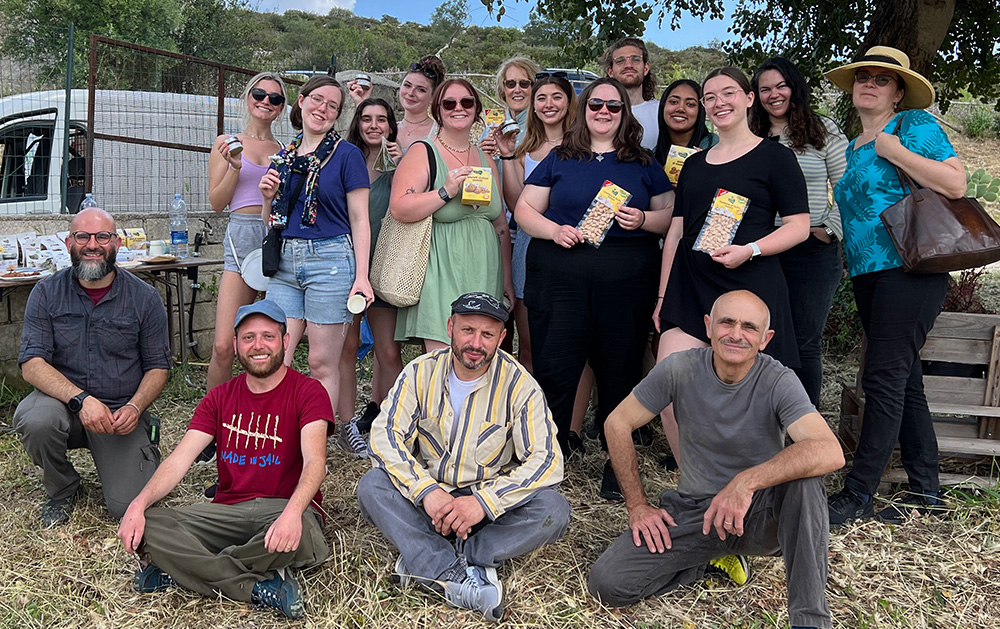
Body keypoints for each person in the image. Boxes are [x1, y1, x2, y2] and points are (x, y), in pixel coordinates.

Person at [589, 290, 844, 629]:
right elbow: (617, 423)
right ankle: (704, 561)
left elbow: (830, 450)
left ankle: (810, 621)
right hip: (696, 511)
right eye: (727, 322)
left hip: (759, 512)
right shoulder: (679, 369)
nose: (736, 334)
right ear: (709, 326)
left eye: (749, 327)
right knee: (608, 584)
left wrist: (745, 482)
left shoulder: (779, 380)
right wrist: (637, 505)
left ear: (765, 339)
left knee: (807, 478)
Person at [357, 292, 569, 623]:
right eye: (468, 330)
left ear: (502, 337)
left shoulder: (520, 385)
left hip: (486, 508)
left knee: (554, 511)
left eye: (487, 334)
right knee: (372, 485)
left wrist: (483, 503)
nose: (476, 343)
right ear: (450, 327)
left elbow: (547, 461)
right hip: (428, 499)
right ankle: (454, 572)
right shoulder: (420, 372)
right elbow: (384, 436)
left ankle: (432, 558)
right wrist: (426, 491)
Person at [823, 46, 966, 527]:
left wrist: (897, 151)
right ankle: (927, 490)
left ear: (898, 91)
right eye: (862, 76)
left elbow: (956, 183)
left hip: (910, 268)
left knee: (882, 378)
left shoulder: (912, 127)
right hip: (868, 273)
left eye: (881, 80)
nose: (869, 83)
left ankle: (859, 493)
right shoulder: (855, 144)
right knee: (905, 380)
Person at [117, 301, 333, 620]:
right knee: (152, 524)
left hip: (284, 508)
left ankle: (184, 570)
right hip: (227, 512)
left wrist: (291, 513)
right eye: (248, 338)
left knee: (302, 531)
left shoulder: (308, 392)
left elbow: (315, 461)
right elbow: (179, 461)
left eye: (268, 336)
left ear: (286, 342)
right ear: (235, 345)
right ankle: (257, 584)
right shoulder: (219, 397)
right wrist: (137, 505)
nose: (258, 345)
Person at [514, 77, 674, 497]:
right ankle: (547, 458)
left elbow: (669, 216)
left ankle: (616, 462)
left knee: (619, 369)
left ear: (625, 114)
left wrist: (641, 221)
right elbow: (524, 208)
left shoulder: (642, 163)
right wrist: (553, 230)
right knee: (555, 367)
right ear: (583, 111)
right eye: (596, 105)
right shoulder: (560, 157)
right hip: (561, 276)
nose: (603, 112)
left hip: (625, 282)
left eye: (613, 106)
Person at [653, 67, 809, 471]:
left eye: (728, 93)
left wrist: (751, 249)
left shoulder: (776, 156)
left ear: (748, 99)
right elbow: (675, 233)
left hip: (751, 285)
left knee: (756, 397)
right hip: (692, 284)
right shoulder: (694, 164)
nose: (719, 102)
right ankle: (697, 483)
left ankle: (754, 486)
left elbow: (799, 226)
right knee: (669, 384)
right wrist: (662, 296)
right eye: (710, 97)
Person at [13, 207, 171, 526]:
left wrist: (136, 407)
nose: (92, 244)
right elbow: (31, 366)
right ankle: (62, 488)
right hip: (62, 405)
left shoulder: (145, 298)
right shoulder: (45, 292)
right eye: (83, 236)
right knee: (36, 420)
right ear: (69, 243)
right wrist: (81, 400)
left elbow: (158, 367)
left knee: (127, 508)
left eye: (102, 236)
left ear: (117, 243)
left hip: (118, 412)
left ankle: (142, 437)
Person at [258, 75, 373, 428]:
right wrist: (266, 198)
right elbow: (272, 222)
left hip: (332, 261)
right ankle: (279, 437)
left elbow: (360, 219)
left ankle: (314, 443)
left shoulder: (347, 155)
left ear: (337, 115)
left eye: (332, 106)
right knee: (276, 356)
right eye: (317, 99)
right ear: (301, 101)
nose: (322, 108)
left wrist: (362, 277)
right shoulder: (284, 156)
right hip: (286, 262)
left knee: (323, 363)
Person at [495, 73, 591, 453]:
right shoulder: (523, 146)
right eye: (541, 98)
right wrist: (505, 154)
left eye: (556, 97)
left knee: (574, 344)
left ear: (570, 102)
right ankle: (530, 422)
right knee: (530, 344)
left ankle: (571, 429)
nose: (548, 104)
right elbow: (519, 205)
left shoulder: (583, 146)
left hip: (573, 250)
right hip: (530, 250)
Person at [750, 57, 849, 408]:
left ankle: (804, 429)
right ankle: (764, 420)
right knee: (762, 337)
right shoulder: (749, 134)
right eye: (765, 89)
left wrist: (827, 230)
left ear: (795, 88)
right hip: (761, 249)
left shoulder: (822, 131)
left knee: (805, 341)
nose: (774, 95)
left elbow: (849, 187)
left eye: (781, 86)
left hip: (810, 252)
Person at [391, 78, 514, 351]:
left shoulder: (486, 159)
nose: (458, 108)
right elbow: (399, 207)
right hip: (441, 270)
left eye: (466, 102)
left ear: (477, 110)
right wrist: (444, 191)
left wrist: (506, 278)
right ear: (438, 111)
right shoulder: (423, 152)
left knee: (479, 358)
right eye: (449, 103)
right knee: (442, 361)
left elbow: (500, 224)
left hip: (485, 272)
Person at [206, 72, 288, 391]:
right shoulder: (226, 143)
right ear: (247, 97)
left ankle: (268, 415)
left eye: (275, 98)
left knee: (273, 346)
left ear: (281, 108)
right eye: (259, 94)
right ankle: (211, 424)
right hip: (240, 238)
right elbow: (216, 202)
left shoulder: (286, 150)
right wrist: (236, 167)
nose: (266, 101)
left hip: (275, 236)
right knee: (225, 345)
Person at [338, 97, 404, 455]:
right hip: (347, 266)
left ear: (392, 125)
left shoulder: (400, 164)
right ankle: (346, 427)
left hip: (386, 266)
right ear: (357, 124)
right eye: (367, 119)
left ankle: (396, 426)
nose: (374, 125)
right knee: (347, 347)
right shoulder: (346, 159)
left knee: (388, 350)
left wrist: (402, 159)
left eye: (382, 119)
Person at [603, 37, 659, 150]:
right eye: (620, 60)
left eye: (636, 59)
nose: (628, 65)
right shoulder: (598, 111)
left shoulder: (662, 112)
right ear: (610, 71)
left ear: (646, 68)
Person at [652, 79, 718, 167]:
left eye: (690, 104)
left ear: (700, 110)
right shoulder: (653, 156)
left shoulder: (715, 147)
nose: (680, 109)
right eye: (674, 102)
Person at [395, 56, 447, 152]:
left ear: (433, 97)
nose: (410, 93)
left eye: (421, 90)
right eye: (407, 85)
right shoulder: (388, 128)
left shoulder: (440, 134)